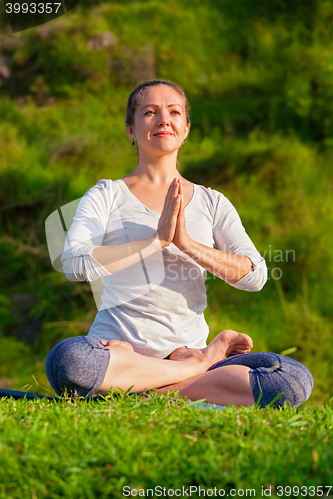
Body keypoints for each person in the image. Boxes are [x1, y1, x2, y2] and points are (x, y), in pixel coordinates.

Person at [46, 80, 313, 408]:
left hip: (180, 349)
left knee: (290, 377)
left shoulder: (211, 202)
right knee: (68, 362)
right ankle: (188, 371)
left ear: (185, 129)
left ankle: (145, 389)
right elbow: (74, 263)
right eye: (149, 112)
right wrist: (154, 241)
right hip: (117, 355)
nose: (163, 119)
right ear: (131, 130)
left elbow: (254, 275)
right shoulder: (107, 195)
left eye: (174, 112)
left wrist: (186, 244)